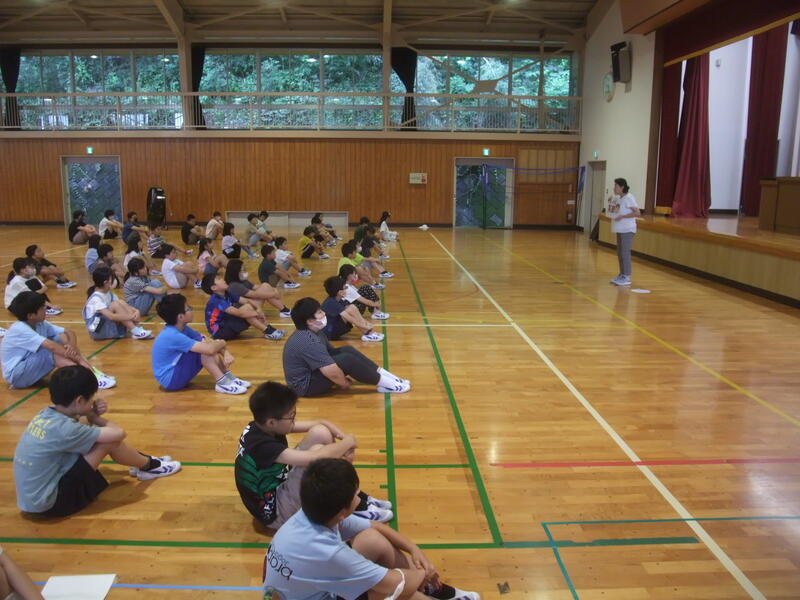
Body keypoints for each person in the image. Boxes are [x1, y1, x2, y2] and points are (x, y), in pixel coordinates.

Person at [262, 458, 480, 600]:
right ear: (342, 511)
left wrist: (414, 549)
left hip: (307, 591)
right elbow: (395, 583)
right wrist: (424, 573)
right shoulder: (330, 553)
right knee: (388, 591)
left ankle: (432, 590)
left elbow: (373, 526)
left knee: (371, 539)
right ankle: (429, 591)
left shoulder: (310, 513)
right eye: (356, 495)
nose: (360, 497)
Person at [13, 365, 180, 517]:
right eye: (91, 398)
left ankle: (144, 462)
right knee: (107, 443)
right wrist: (94, 417)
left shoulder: (47, 414)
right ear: (79, 401)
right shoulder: (65, 429)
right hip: (51, 504)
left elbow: (81, 431)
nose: (93, 401)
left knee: (98, 439)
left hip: (33, 500)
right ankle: (149, 466)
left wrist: (89, 414)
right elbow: (118, 434)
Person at [235, 381, 392, 532]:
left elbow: (320, 423)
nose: (294, 420)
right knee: (319, 457)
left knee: (320, 432)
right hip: (275, 512)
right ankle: (349, 505)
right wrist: (348, 443)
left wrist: (343, 439)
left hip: (279, 483)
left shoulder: (262, 425)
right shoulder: (261, 445)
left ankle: (347, 495)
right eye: (291, 416)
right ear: (271, 422)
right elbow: (314, 458)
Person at [283, 297, 409, 397]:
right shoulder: (309, 340)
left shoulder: (316, 332)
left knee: (346, 350)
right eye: (320, 312)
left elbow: (331, 352)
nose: (324, 314)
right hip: (304, 386)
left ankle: (391, 378)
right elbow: (330, 371)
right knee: (347, 360)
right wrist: (343, 383)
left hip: (313, 373)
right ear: (309, 321)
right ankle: (389, 384)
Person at [2, 292, 115, 390]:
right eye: (42, 308)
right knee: (50, 351)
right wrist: (78, 358)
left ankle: (91, 371)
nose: (46, 309)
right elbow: (51, 347)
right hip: (17, 376)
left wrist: (72, 346)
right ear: (31, 315)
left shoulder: (40, 323)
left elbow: (69, 332)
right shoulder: (20, 329)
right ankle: (86, 377)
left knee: (61, 338)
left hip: (29, 366)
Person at [151, 293, 250, 394]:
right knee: (205, 351)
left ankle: (228, 378)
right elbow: (209, 349)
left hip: (174, 375)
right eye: (188, 308)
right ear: (180, 317)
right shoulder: (172, 335)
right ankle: (222, 383)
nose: (191, 309)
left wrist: (225, 353)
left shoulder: (182, 328)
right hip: (170, 380)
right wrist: (223, 342)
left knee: (206, 344)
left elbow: (206, 339)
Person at [201, 273, 286, 341]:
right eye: (219, 279)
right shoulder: (216, 300)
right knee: (246, 309)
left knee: (248, 306)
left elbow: (247, 301)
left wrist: (259, 309)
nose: (223, 279)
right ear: (214, 287)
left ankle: (270, 330)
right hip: (220, 332)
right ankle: (268, 331)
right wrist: (257, 313)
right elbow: (240, 313)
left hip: (227, 323)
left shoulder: (227, 293)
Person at [83, 266, 153, 340]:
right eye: (112, 279)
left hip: (107, 325)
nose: (115, 280)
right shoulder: (95, 299)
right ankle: (136, 331)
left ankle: (137, 329)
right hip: (98, 330)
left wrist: (136, 311)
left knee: (120, 302)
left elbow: (123, 306)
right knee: (115, 305)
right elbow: (111, 316)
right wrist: (131, 316)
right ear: (106, 283)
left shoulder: (109, 294)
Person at [321, 276, 384, 342]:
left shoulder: (338, 299)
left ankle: (369, 333)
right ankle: (368, 333)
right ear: (340, 292)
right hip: (330, 333)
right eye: (345, 288)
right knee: (350, 309)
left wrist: (366, 323)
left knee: (351, 307)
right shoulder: (331, 302)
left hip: (335, 326)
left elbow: (354, 314)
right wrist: (364, 326)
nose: (347, 289)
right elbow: (350, 318)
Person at [224, 259, 292, 318]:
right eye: (243, 270)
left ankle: (284, 310)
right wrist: (274, 294)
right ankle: (284, 310)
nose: (245, 271)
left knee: (265, 285)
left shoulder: (242, 280)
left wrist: (274, 289)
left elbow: (257, 287)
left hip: (251, 303)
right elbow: (255, 295)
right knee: (264, 292)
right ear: (236, 272)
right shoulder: (235, 285)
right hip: (244, 308)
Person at [607, 177, 641, 287]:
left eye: (616, 186)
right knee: (620, 252)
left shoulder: (629, 197)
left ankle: (626, 276)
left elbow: (637, 213)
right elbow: (615, 210)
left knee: (625, 252)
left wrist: (623, 216)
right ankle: (622, 274)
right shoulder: (618, 198)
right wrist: (610, 203)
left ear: (622, 187)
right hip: (620, 229)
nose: (614, 188)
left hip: (627, 229)